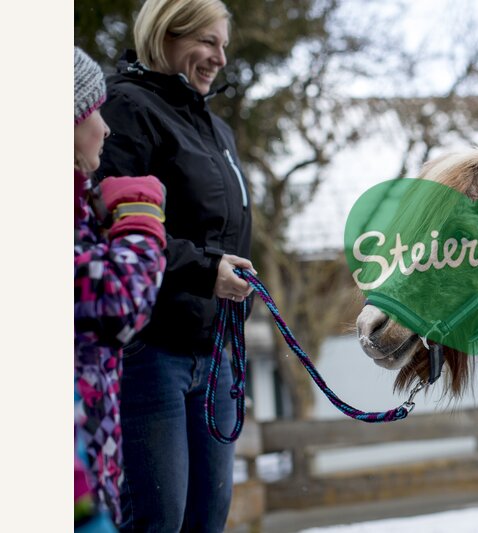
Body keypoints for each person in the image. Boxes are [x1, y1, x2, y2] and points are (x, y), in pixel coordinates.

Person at [95, 0, 255, 530]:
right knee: (157, 520)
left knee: (208, 519)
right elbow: (113, 225)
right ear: (166, 34)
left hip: (214, 354)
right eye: (207, 42)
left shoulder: (216, 129)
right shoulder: (126, 110)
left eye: (223, 45)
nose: (220, 58)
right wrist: (205, 270)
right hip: (151, 353)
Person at [74, 46, 168, 529]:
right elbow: (120, 303)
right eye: (94, 111)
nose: (106, 128)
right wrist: (140, 212)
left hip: (92, 463)